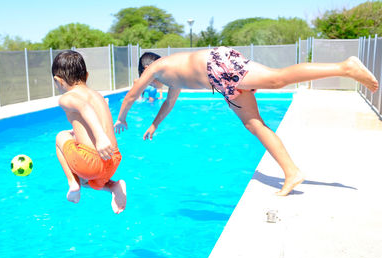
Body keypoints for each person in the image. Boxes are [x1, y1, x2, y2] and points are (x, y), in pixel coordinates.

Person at [114, 47, 379, 196]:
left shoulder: (154, 68)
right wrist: (155, 124)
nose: (154, 84)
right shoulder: (171, 77)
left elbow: (131, 95)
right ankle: (291, 172)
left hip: (218, 66)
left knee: (277, 79)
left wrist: (121, 118)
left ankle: (345, 67)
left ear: (145, 70)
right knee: (253, 124)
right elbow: (169, 103)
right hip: (221, 82)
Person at [53, 50, 126, 214]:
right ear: (86, 76)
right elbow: (90, 114)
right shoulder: (97, 95)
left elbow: (83, 107)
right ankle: (114, 186)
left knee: (60, 137)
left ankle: (73, 183)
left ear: (58, 81)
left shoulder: (66, 97)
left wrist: (100, 138)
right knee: (89, 181)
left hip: (91, 162)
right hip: (113, 158)